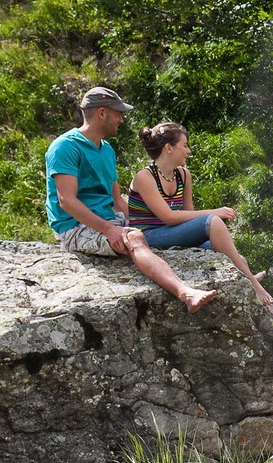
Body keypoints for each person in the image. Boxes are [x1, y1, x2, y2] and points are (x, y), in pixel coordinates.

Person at [44, 87, 216, 312]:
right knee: (135, 238)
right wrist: (110, 229)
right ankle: (186, 293)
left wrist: (150, 227)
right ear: (102, 113)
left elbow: (117, 201)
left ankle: (247, 277)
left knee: (200, 243)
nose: (122, 120)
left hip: (109, 219)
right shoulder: (65, 147)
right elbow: (66, 200)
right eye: (118, 113)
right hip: (75, 227)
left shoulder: (107, 150)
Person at [127, 121, 273, 330]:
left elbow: (189, 215)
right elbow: (168, 217)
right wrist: (214, 212)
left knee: (237, 259)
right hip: (151, 236)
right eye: (184, 145)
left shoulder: (183, 174)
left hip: (173, 234)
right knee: (213, 221)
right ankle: (254, 283)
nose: (188, 151)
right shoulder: (144, 177)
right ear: (168, 148)